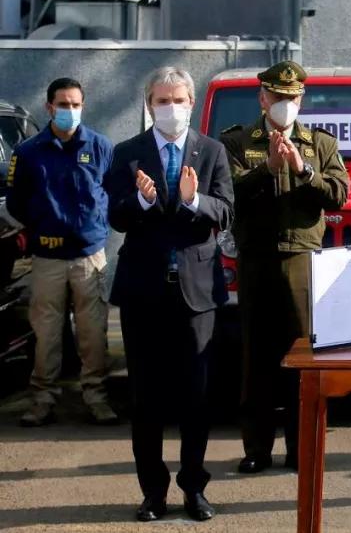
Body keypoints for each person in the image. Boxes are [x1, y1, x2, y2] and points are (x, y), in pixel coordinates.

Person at [107, 67, 234, 522]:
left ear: (192, 102)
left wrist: (193, 200)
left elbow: (225, 209)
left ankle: (194, 488)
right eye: (162, 100)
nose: (171, 108)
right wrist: (141, 201)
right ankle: (153, 493)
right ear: (149, 104)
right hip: (145, 295)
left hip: (196, 293)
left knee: (196, 397)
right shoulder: (128, 153)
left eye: (179, 99)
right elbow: (117, 216)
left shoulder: (212, 151)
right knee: (145, 399)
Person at [220, 60, 349, 475]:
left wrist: (301, 169)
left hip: (302, 263)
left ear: (301, 99)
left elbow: (338, 194)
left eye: (292, 98)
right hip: (256, 261)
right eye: (277, 96)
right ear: (263, 98)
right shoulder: (238, 141)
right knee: (256, 359)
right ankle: (257, 448)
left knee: (304, 358)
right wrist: (268, 168)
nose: (285, 103)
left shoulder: (320, 144)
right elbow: (229, 191)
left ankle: (301, 448)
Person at [7, 77, 117, 427]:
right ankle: (42, 399)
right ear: (49, 107)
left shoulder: (100, 147)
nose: (70, 111)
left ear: (83, 106)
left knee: (93, 333)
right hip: (48, 258)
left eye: (76, 104)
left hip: (89, 257)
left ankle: (97, 397)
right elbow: (17, 203)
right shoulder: (28, 153)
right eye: (63, 105)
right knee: (46, 335)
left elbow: (113, 193)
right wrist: (44, 229)